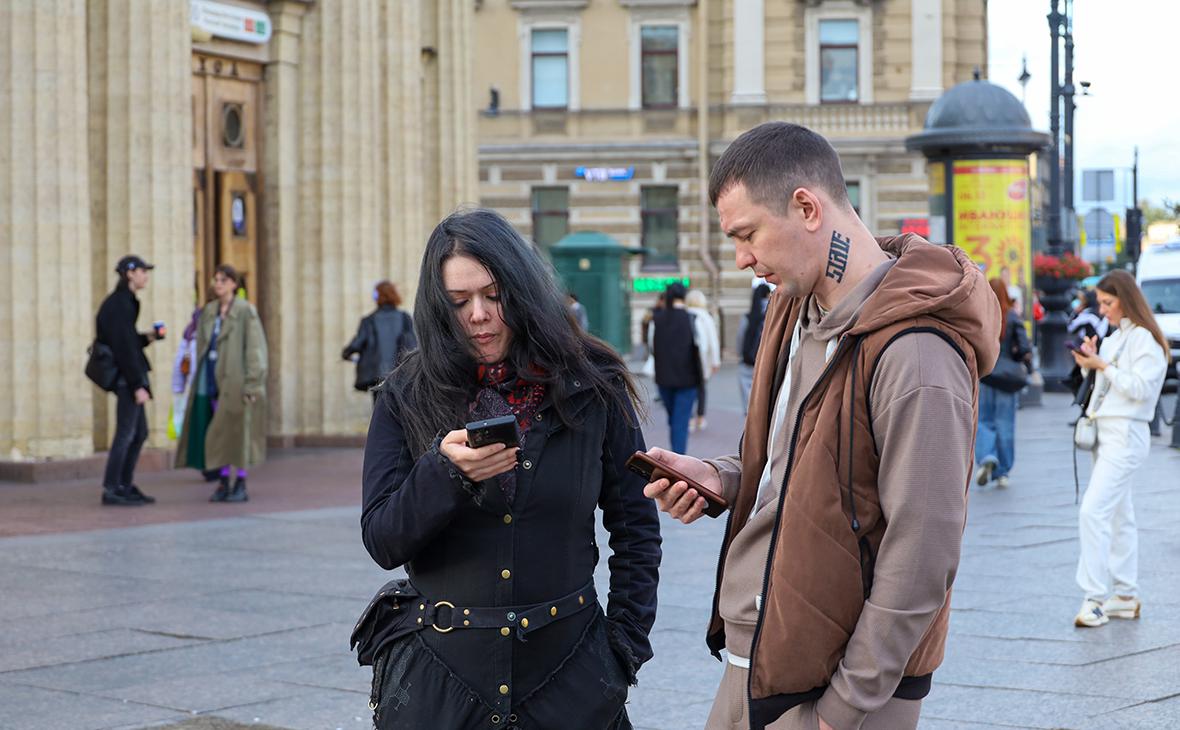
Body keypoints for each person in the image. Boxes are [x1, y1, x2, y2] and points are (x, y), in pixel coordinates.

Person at [641, 122, 1000, 730]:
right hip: (762, 655)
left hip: (841, 689)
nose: (742, 259)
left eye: (747, 234)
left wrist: (838, 712)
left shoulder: (916, 352)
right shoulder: (798, 310)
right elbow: (802, 464)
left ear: (807, 207)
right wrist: (724, 478)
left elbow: (923, 553)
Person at [358, 209, 660, 729]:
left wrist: (624, 648)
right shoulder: (406, 395)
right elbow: (383, 540)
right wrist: (445, 473)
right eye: (459, 302)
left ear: (522, 289)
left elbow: (635, 528)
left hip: (571, 676)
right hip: (440, 681)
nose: (478, 315)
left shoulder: (593, 384)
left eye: (494, 295)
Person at [1069, 270, 1169, 628]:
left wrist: (1103, 366)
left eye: (1108, 302)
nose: (1103, 309)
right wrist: (1091, 364)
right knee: (1117, 514)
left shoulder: (1146, 341)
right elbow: (1104, 386)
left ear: (1126, 299)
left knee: (1093, 512)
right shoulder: (1115, 338)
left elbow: (1141, 390)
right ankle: (1125, 594)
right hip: (1107, 430)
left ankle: (1094, 598)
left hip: (1126, 433)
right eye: (1100, 302)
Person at [175, 264, 269, 503]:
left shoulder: (246, 311)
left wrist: (252, 384)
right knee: (220, 433)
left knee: (240, 434)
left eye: (223, 280)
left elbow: (255, 350)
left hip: (237, 382)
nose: (218, 284)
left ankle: (240, 482)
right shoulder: (209, 312)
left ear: (234, 284)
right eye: (215, 279)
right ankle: (223, 481)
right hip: (212, 381)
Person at [95, 255, 163, 506]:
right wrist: (138, 385)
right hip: (127, 377)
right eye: (143, 271)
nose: (146, 276)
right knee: (126, 432)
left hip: (129, 375)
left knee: (139, 432)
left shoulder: (126, 302)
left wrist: (148, 337)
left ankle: (123, 483)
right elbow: (123, 348)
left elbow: (127, 340)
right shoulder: (119, 304)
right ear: (130, 273)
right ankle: (112, 488)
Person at [973, 279, 1032, 489]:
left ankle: (988, 455)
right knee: (1005, 423)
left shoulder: (980, 315)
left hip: (986, 374)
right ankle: (1003, 471)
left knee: (983, 420)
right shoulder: (1013, 317)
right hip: (1007, 378)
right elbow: (1024, 348)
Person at [649, 282, 708, 454]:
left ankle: (676, 454)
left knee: (674, 419)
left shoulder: (657, 319)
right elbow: (701, 347)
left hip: (663, 377)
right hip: (687, 378)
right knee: (680, 421)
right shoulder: (692, 318)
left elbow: (652, 347)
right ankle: (678, 458)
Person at [343, 280, 417, 401]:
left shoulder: (369, 320)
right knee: (399, 409)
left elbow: (358, 342)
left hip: (377, 376)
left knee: (379, 409)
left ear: (377, 296)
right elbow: (413, 344)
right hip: (400, 374)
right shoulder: (404, 318)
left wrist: (346, 353)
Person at [686, 289, 722, 432]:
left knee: (688, 389)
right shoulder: (706, 317)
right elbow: (713, 341)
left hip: (687, 360)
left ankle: (689, 418)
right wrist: (715, 361)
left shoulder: (685, 315)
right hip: (702, 359)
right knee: (701, 389)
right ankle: (700, 418)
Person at [736, 282, 772, 414]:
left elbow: (740, 341)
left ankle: (749, 429)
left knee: (748, 406)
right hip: (766, 363)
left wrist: (741, 355)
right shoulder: (774, 315)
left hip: (747, 364)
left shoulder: (747, 317)